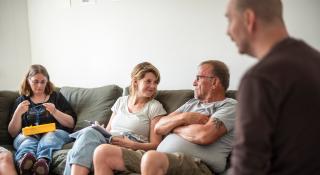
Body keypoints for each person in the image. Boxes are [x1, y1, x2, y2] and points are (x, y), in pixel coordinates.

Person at [93, 60, 237, 175]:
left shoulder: (230, 106)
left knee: (151, 158)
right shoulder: (191, 104)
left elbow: (204, 135)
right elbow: (160, 127)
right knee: (103, 152)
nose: (194, 82)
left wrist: (174, 127)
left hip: (198, 164)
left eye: (198, 78)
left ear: (214, 82)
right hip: (161, 158)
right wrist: (185, 118)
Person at [225, 0, 320, 174]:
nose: (228, 31)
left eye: (230, 19)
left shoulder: (259, 78)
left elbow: (247, 167)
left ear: (248, 18)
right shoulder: (315, 60)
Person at [63, 62, 166, 175]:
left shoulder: (155, 107)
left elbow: (156, 144)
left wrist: (132, 145)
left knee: (79, 148)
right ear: (135, 81)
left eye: (156, 82)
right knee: (86, 136)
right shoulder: (121, 101)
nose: (153, 86)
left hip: (132, 145)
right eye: (148, 81)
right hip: (110, 140)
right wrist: (100, 129)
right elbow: (108, 130)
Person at [8, 64, 77, 175]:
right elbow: (12, 133)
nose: (39, 86)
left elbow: (71, 123)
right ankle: (24, 162)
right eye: (35, 81)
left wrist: (55, 112)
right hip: (28, 135)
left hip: (54, 133)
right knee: (27, 141)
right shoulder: (21, 100)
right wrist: (17, 113)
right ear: (28, 80)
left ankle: (42, 162)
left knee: (49, 137)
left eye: (43, 82)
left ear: (47, 82)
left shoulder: (56, 97)